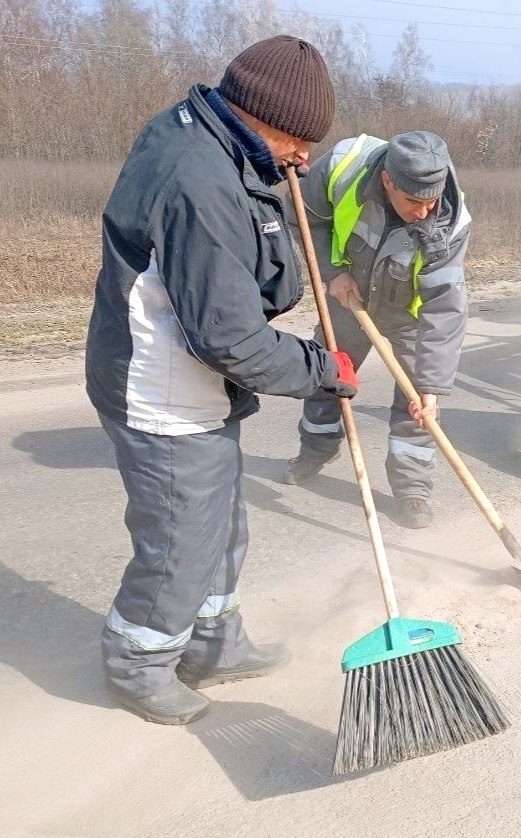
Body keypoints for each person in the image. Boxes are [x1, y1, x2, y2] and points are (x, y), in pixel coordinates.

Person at [85, 35, 359, 725]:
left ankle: (213, 644)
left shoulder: (213, 141)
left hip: (194, 379)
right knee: (182, 535)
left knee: (220, 523)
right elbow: (231, 338)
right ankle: (138, 664)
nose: (303, 158)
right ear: (260, 114)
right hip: (162, 385)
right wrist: (322, 370)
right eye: (300, 139)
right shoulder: (198, 180)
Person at [282, 130, 471, 530]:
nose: (424, 212)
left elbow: (445, 307)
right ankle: (314, 453)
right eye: (413, 202)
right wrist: (334, 272)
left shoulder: (449, 223)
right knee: (328, 378)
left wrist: (432, 387)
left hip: (412, 316)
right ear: (388, 180)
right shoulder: (343, 166)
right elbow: (303, 215)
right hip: (350, 297)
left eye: (430, 202)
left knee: (418, 405)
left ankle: (413, 491)